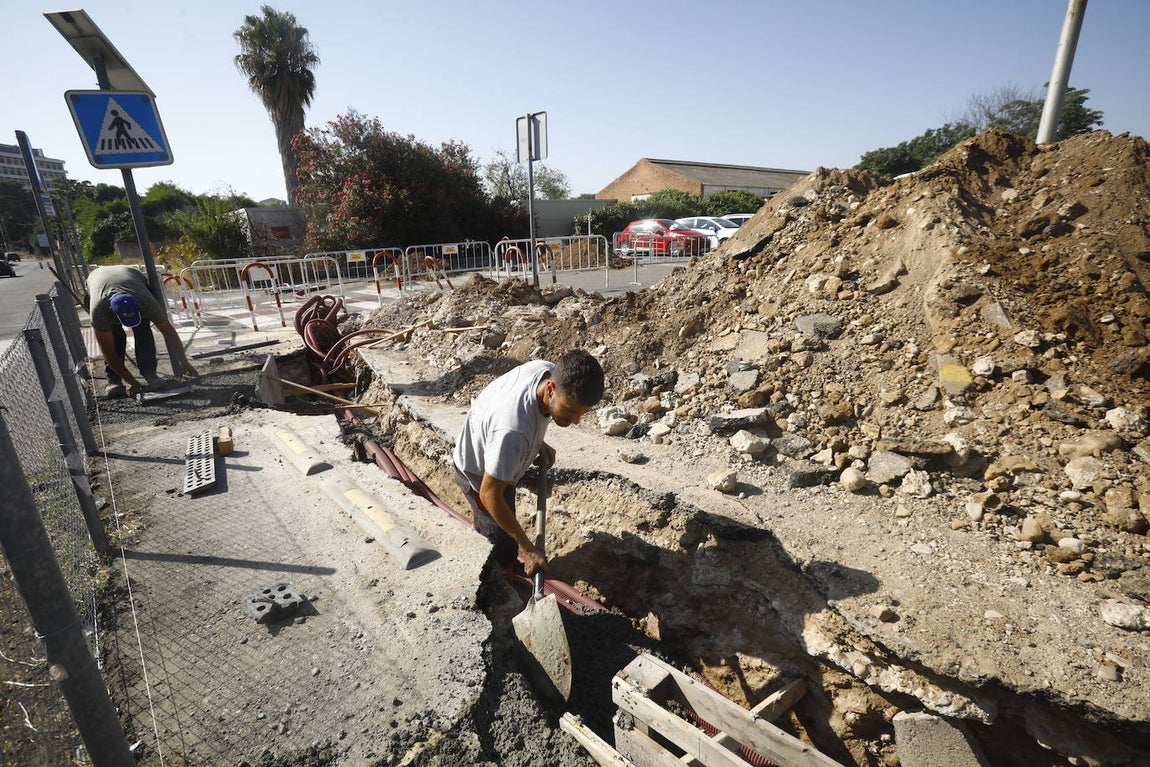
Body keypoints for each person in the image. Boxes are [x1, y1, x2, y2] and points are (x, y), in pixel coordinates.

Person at [453, 349, 605, 577]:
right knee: (501, 548)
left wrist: (537, 443)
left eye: (582, 413)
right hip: (477, 472)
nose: (576, 421)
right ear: (551, 389)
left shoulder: (544, 371)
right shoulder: (513, 433)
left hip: (495, 445)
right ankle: (499, 591)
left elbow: (526, 416)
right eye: (571, 411)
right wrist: (529, 549)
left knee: (508, 537)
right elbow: (489, 494)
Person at [86, 265, 199, 398]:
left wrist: (184, 361)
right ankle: (114, 380)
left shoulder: (146, 302)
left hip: (133, 280)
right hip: (97, 282)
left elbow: (168, 332)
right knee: (116, 337)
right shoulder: (100, 311)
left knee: (143, 330)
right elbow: (108, 352)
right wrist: (132, 382)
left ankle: (150, 374)